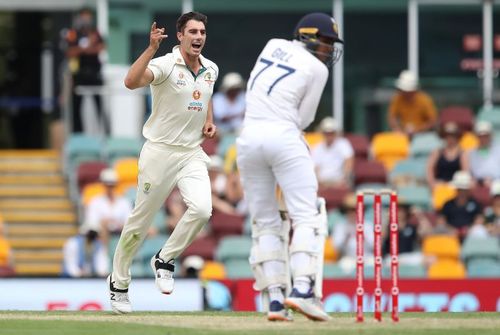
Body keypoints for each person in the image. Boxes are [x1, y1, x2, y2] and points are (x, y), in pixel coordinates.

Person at [107, 12, 218, 315]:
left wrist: (208, 121)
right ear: (180, 36)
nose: (198, 37)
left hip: (191, 152)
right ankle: (118, 284)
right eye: (192, 32)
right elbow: (130, 82)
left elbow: (205, 95)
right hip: (159, 152)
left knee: (202, 209)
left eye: (202, 32)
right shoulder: (165, 64)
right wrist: (151, 49)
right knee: (139, 225)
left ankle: (165, 258)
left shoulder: (211, 69)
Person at [236, 12, 343, 321]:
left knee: (266, 221)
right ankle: (302, 291)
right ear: (309, 36)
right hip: (283, 136)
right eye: (325, 42)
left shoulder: (271, 45)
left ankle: (274, 302)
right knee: (306, 215)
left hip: (247, 139)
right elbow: (305, 119)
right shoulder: (317, 68)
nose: (328, 49)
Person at [62, 7, 107, 134]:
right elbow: (70, 52)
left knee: (99, 106)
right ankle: (78, 136)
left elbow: (101, 47)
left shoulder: (95, 32)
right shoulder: (73, 33)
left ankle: (103, 135)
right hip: (79, 75)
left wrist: (84, 49)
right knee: (76, 108)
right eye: (84, 17)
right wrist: (86, 47)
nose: (86, 20)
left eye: (88, 17)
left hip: (95, 74)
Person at [85, 168, 132, 245]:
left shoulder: (124, 202)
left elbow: (129, 222)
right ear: (103, 184)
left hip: (121, 234)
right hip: (100, 235)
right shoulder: (95, 202)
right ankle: (103, 253)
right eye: (108, 185)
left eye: (112, 185)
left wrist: (115, 224)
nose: (110, 188)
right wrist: (105, 223)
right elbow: (92, 223)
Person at [387, 70, 437, 136]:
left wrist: (418, 130)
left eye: (408, 91)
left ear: (414, 90)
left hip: (423, 135)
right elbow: (392, 117)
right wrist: (397, 129)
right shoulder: (397, 99)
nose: (405, 93)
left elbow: (433, 120)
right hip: (402, 134)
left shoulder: (425, 100)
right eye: (403, 90)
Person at [437, 171, 484, 241]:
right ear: (456, 189)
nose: (462, 192)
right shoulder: (448, 204)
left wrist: (468, 229)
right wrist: (452, 229)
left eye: (464, 189)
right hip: (450, 233)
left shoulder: (474, 203)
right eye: (460, 189)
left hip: (470, 233)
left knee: (479, 231)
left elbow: (479, 220)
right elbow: (441, 221)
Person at [311, 117, 354, 188]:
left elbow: (349, 161)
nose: (329, 135)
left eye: (331, 133)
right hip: (321, 183)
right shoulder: (317, 148)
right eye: (327, 133)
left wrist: (344, 179)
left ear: (335, 133)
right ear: (323, 133)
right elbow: (315, 168)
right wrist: (318, 182)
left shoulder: (343, 144)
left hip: (340, 182)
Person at [426, 122, 467, 189]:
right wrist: (432, 183)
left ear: (457, 136)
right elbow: (429, 169)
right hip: (439, 186)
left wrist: (457, 184)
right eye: (447, 135)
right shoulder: (437, 152)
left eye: (453, 135)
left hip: (457, 187)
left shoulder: (462, 153)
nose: (450, 138)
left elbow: (465, 171)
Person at [464, 120, 500, 187]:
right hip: (477, 185)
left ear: (490, 136)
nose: (483, 138)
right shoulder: (470, 153)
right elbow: (468, 174)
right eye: (480, 136)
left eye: (485, 135)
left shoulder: (498, 150)